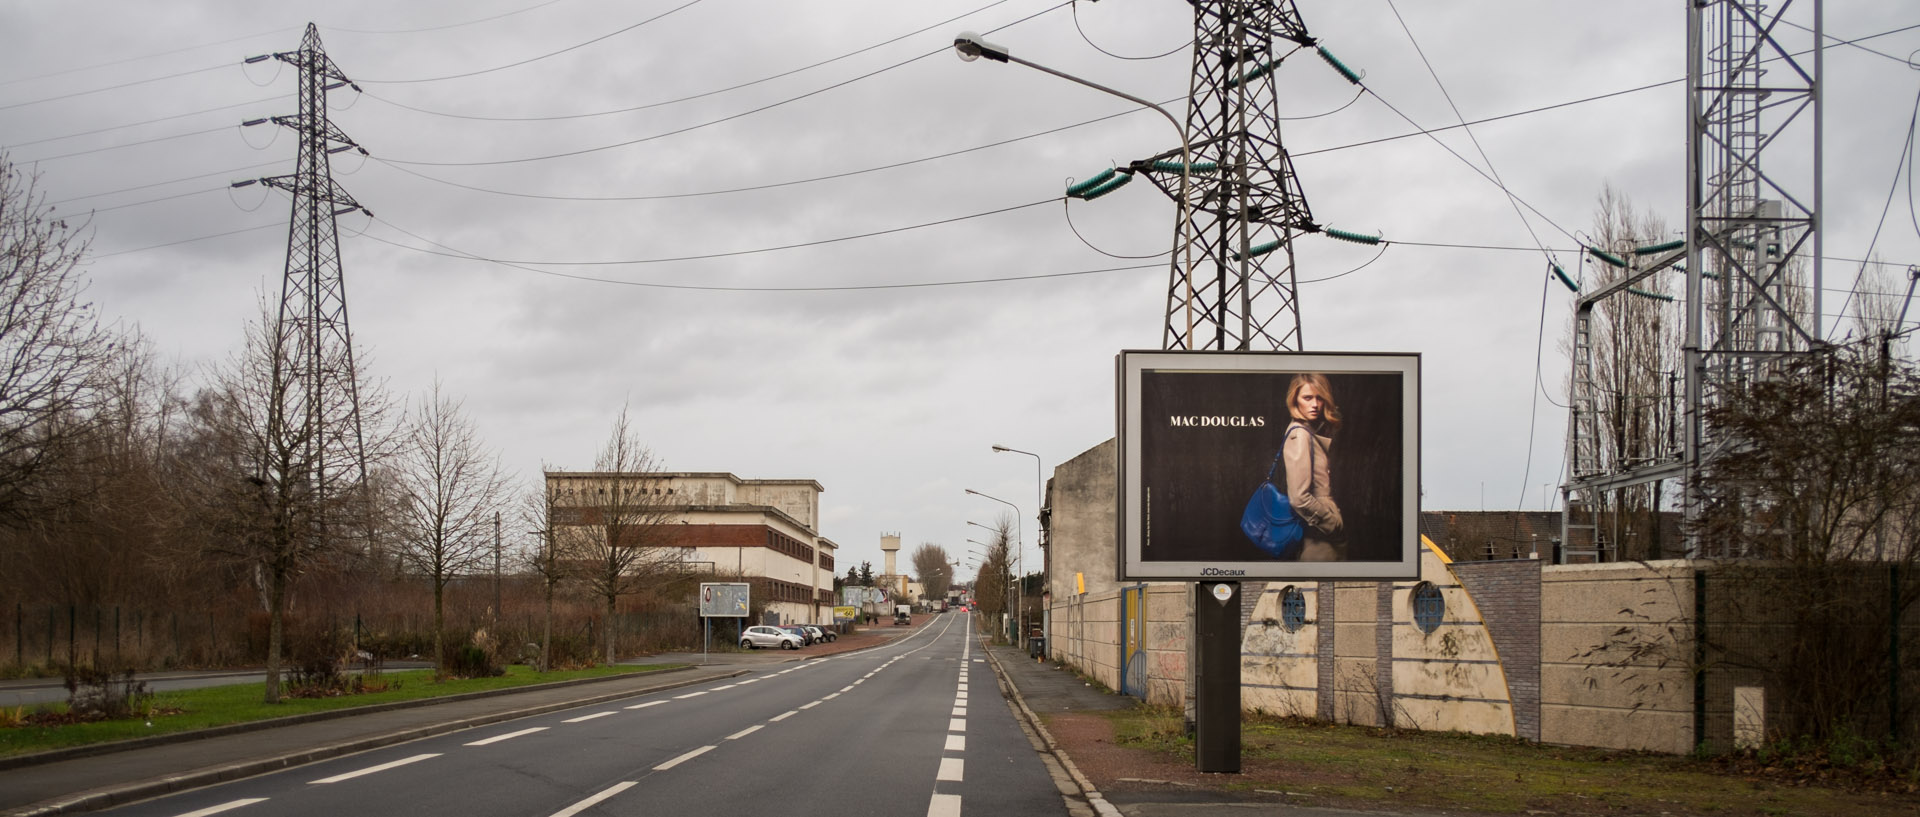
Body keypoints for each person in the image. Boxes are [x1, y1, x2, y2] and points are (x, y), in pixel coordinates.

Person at [1284, 373, 1345, 561]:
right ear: (1295, 400)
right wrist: (1332, 523)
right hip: (1320, 537)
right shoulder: (1300, 435)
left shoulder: (1310, 431)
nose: (1315, 404)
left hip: (1324, 534)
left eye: (1320, 397)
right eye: (1307, 398)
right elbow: (1299, 498)